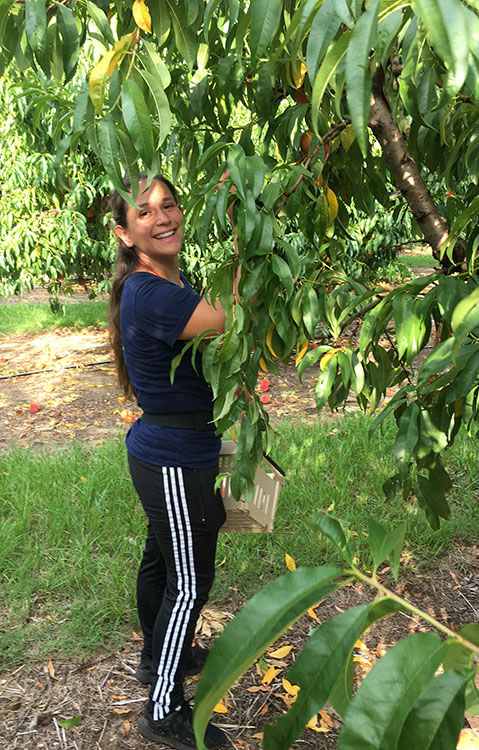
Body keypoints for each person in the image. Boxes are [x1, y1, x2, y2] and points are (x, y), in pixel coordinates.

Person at [108, 173, 232, 749]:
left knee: (161, 563)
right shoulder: (151, 292)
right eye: (145, 212)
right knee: (190, 583)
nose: (162, 218)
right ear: (126, 233)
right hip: (174, 458)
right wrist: (247, 232)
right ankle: (164, 706)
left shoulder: (162, 283)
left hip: (166, 448)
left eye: (170, 204)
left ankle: (162, 654)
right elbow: (223, 320)